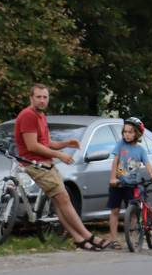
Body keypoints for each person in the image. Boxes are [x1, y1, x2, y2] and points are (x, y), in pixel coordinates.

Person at [14, 84, 115, 251]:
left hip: (45, 163)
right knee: (64, 199)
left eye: (45, 97)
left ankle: (78, 239)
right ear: (31, 98)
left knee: (60, 202)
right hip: (35, 164)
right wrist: (60, 155)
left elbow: (46, 143)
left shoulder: (40, 116)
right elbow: (32, 146)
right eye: (38, 97)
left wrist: (65, 144)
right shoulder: (28, 116)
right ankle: (89, 236)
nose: (42, 100)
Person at [108, 118, 152, 248]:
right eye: (125, 132)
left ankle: (134, 237)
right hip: (118, 184)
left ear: (137, 133)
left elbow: (147, 163)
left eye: (130, 132)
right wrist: (113, 178)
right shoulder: (120, 145)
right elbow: (115, 161)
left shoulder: (140, 150)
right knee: (115, 210)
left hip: (131, 185)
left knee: (133, 212)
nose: (127, 135)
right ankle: (114, 240)